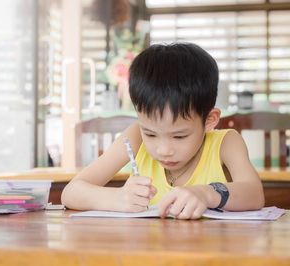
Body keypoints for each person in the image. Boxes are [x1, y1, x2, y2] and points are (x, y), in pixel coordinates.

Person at [61, 42, 264, 219]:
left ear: (209, 120)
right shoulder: (134, 137)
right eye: (150, 133)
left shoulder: (226, 143)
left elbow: (254, 194)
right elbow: (70, 192)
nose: (164, 150)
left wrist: (206, 194)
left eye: (179, 136)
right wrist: (116, 198)